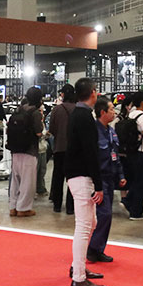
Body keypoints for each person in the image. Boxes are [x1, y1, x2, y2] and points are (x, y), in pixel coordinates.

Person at [64, 78, 107, 286]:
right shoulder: (84, 117)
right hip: (82, 176)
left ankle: (78, 266)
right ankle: (79, 277)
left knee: (90, 223)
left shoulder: (78, 114)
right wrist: (98, 184)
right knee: (84, 226)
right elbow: (91, 152)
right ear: (92, 93)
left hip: (77, 174)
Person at [88, 96, 126, 263]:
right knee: (104, 214)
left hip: (110, 177)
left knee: (107, 216)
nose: (114, 112)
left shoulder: (111, 131)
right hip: (99, 178)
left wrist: (121, 175)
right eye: (111, 110)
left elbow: (115, 155)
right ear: (102, 112)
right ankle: (92, 248)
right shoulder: (93, 132)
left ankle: (98, 249)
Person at [7, 87, 45, 218]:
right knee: (28, 181)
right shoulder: (35, 113)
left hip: (15, 149)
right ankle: (23, 208)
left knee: (15, 180)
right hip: (29, 149)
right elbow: (38, 132)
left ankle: (13, 207)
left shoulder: (18, 110)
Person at [119, 90, 143, 220]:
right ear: (142, 102)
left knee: (135, 180)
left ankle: (130, 204)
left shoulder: (131, 115)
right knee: (141, 183)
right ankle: (134, 210)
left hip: (130, 152)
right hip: (141, 152)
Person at [49, 84, 77, 214]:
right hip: (74, 150)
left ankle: (57, 205)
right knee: (73, 178)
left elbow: (52, 129)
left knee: (58, 177)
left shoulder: (56, 110)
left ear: (63, 95)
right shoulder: (78, 109)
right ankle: (70, 207)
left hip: (59, 148)